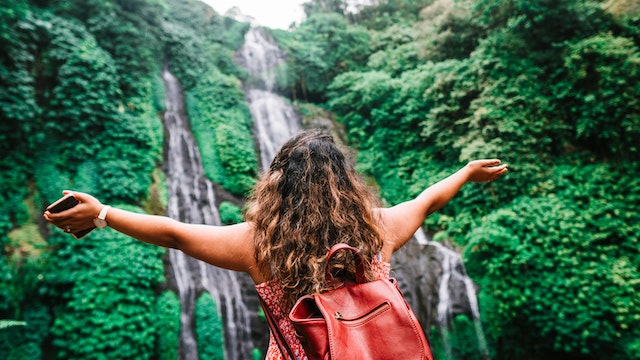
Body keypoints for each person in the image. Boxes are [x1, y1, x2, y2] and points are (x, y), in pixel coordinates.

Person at [44, 129, 508, 359]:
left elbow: (174, 232)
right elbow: (427, 200)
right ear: (345, 183)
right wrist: (466, 172)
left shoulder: (259, 246)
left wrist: (102, 214)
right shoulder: (376, 229)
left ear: (277, 185)